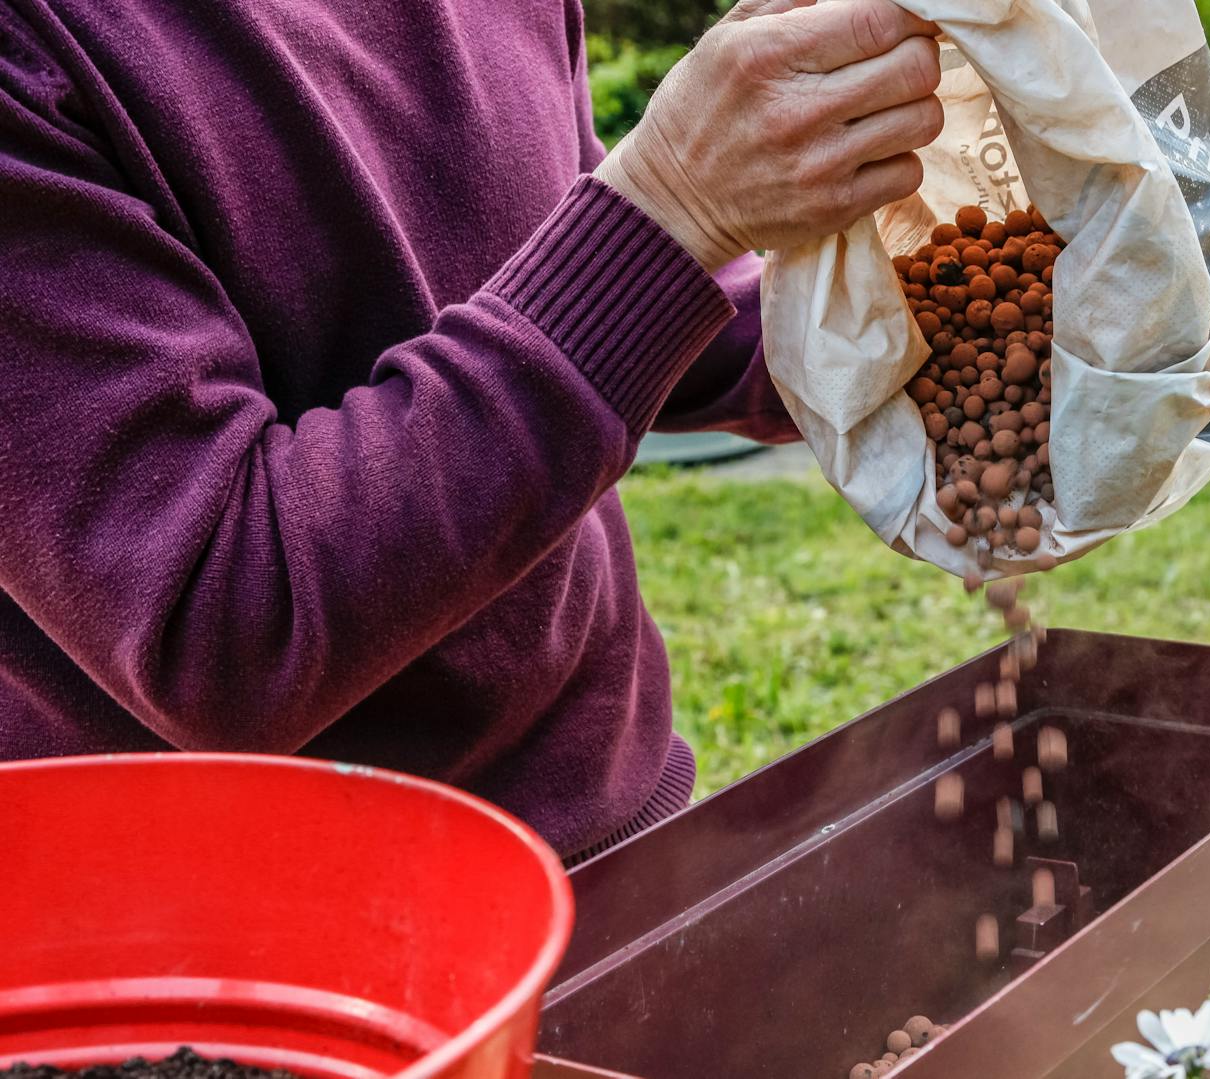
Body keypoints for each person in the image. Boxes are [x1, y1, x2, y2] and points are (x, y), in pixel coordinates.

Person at [0, 0, 944, 862]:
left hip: (612, 845)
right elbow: (225, 615)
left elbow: (565, 284)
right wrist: (674, 207)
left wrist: (933, 344)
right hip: (252, 979)